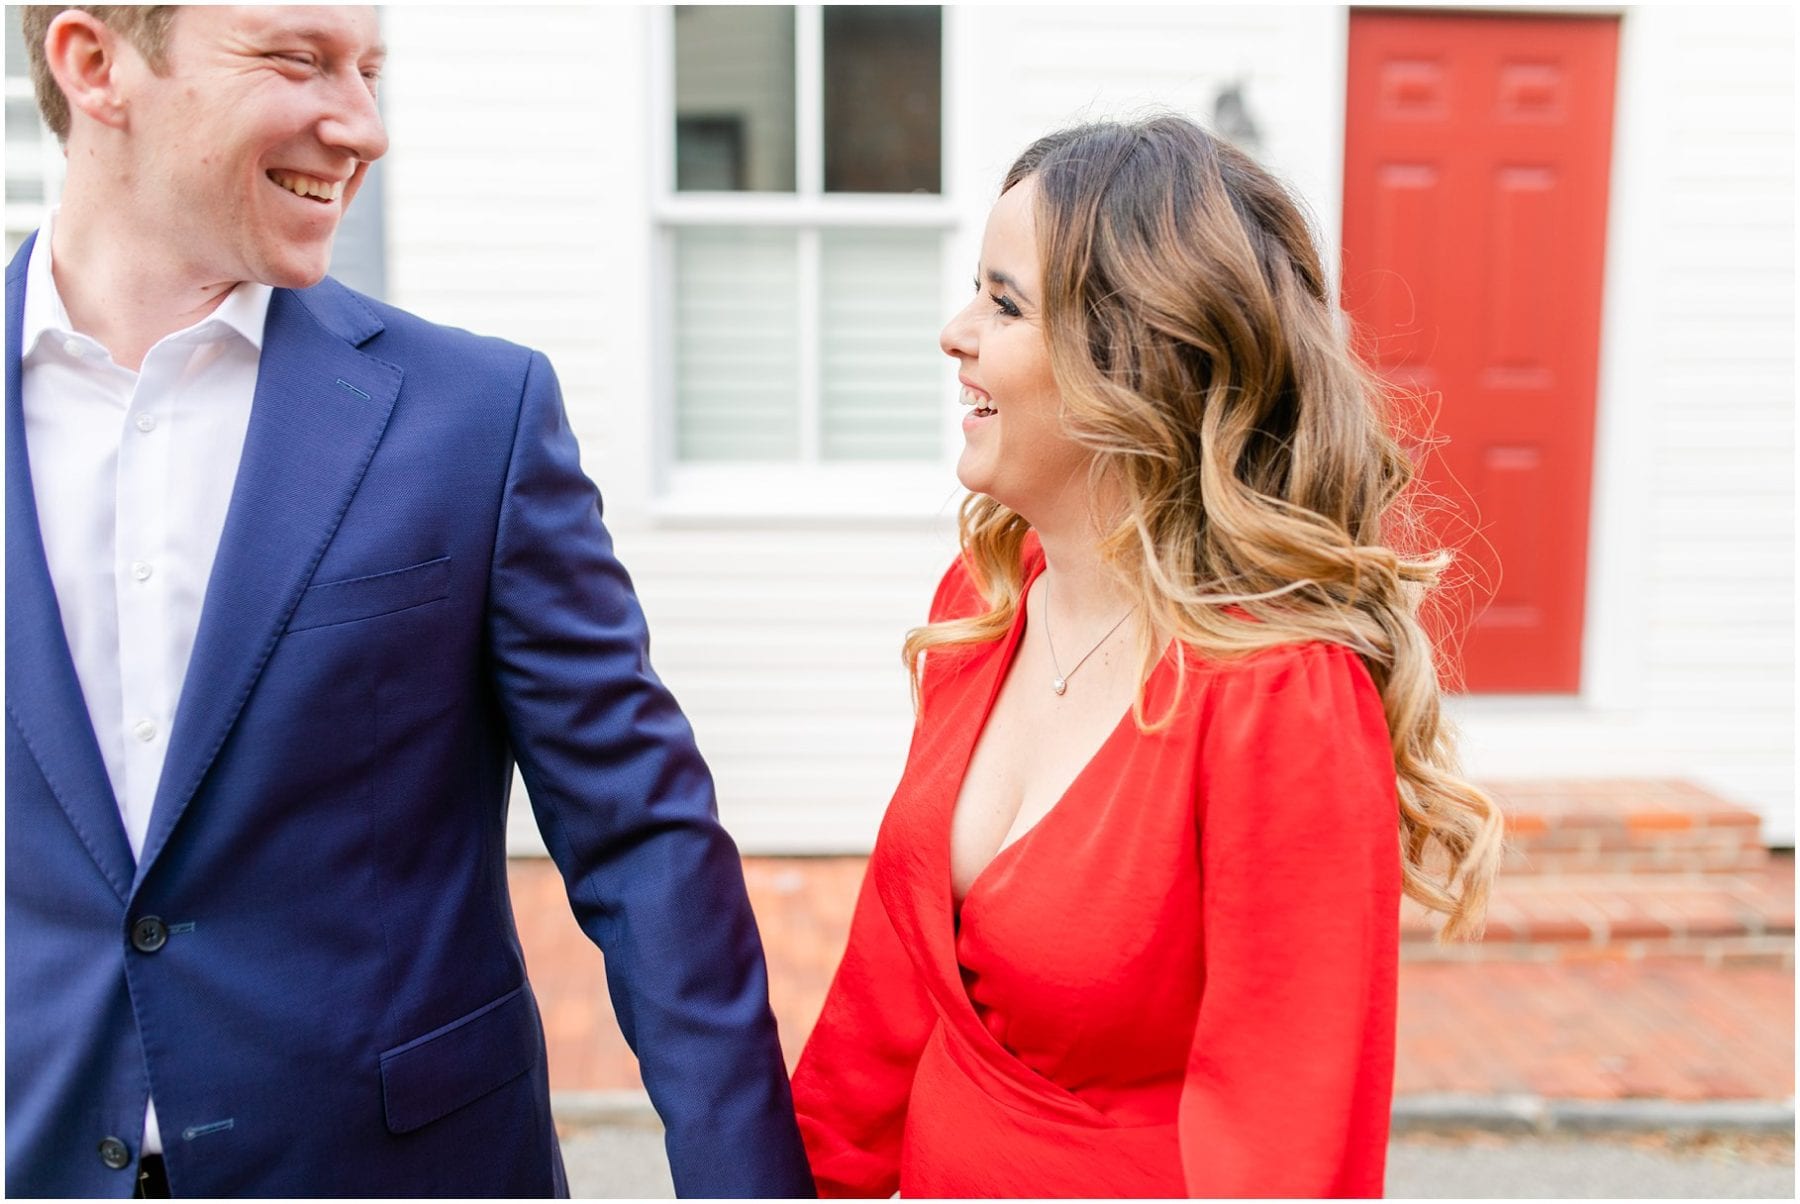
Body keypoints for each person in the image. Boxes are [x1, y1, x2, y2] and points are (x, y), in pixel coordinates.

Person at [5, 6, 812, 1197]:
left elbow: (644, 841)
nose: (363, 127)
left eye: (371, 70)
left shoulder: (474, 417)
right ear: (96, 65)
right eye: (300, 60)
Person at [789, 115, 1503, 1198]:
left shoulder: (1278, 698)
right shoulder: (985, 604)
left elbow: (1286, 1146)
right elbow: (889, 996)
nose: (955, 332)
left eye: (1004, 302)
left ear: (1131, 359)